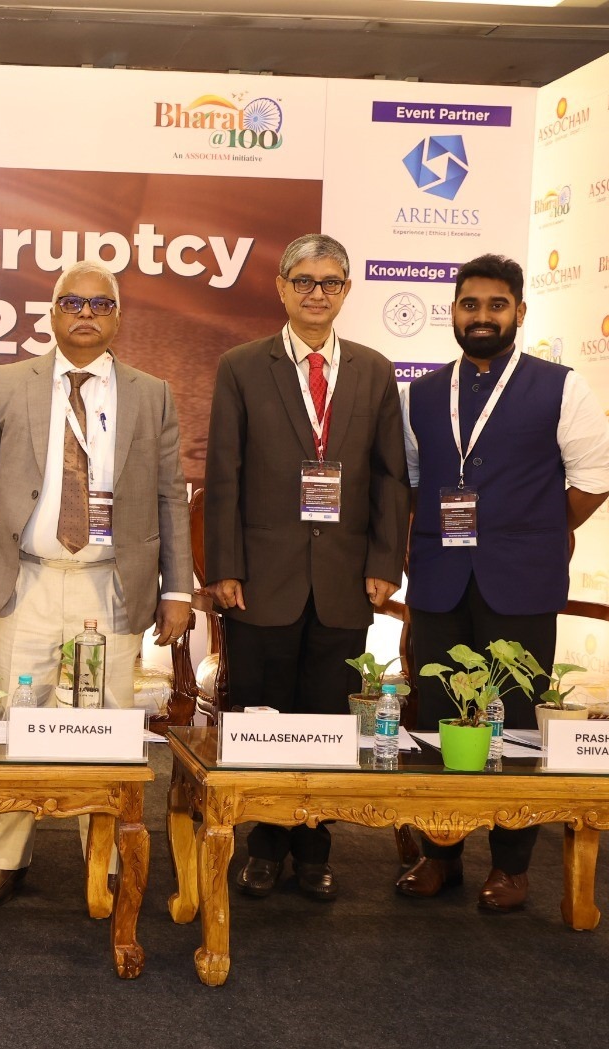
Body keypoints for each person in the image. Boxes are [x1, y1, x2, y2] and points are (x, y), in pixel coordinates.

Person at [0, 260, 192, 907]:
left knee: (105, 721)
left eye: (100, 304)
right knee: (18, 714)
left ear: (118, 317)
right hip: (24, 579)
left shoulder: (151, 393)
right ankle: (8, 855)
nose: (86, 314)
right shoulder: (8, 383)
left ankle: (102, 855)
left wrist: (178, 589)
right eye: (73, 303)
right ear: (52, 314)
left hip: (108, 584)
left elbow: (171, 496)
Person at [396, 253, 609, 911]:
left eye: (496, 305)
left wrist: (536, 531)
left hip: (521, 581)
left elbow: (593, 480)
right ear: (453, 313)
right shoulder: (422, 393)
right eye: (470, 305)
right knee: (437, 714)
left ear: (519, 311)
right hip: (439, 579)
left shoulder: (561, 386)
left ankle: (511, 866)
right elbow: (412, 482)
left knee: (514, 719)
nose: (482, 317)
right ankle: (440, 855)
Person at [203, 234, 408, 901]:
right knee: (262, 715)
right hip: (261, 577)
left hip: (345, 578)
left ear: (346, 291)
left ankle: (316, 848)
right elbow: (224, 472)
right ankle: (264, 846)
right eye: (304, 281)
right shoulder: (241, 366)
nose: (317, 293)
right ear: (281, 288)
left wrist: (386, 561)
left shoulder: (375, 370)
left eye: (330, 282)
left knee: (328, 718)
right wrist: (224, 565)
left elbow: (391, 475)